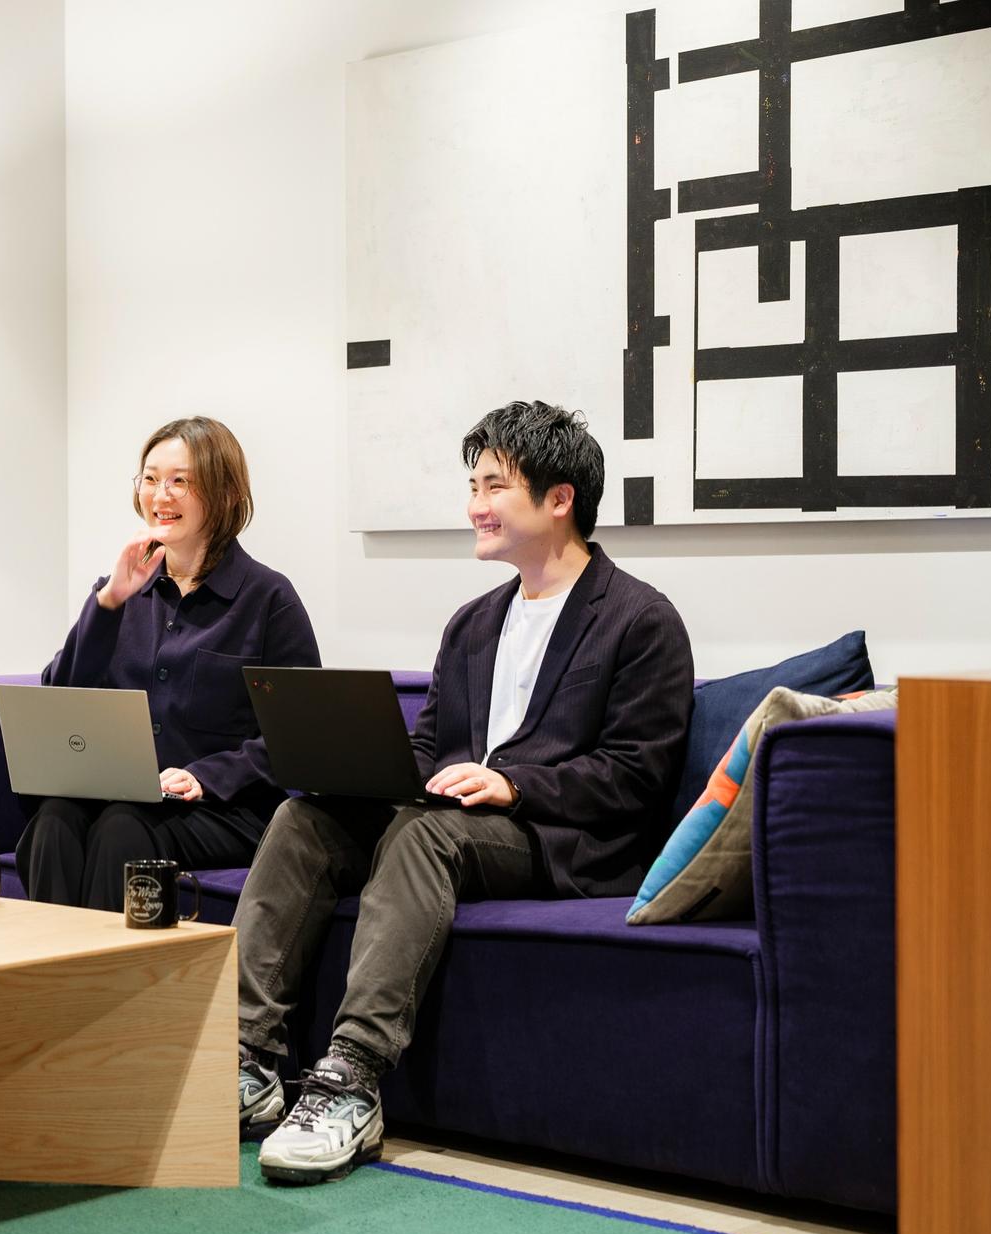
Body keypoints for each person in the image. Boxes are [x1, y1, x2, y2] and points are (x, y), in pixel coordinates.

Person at [235, 401, 693, 1185]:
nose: (476, 505)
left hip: (562, 840)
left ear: (559, 499)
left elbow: (634, 776)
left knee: (424, 835)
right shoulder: (473, 624)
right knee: (304, 817)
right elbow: (431, 749)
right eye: (473, 486)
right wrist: (370, 775)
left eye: (494, 486)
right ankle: (246, 1061)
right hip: (457, 820)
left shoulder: (640, 620)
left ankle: (351, 1081)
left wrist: (513, 783)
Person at [16, 416, 320, 911]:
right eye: (151, 479)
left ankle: (115, 964)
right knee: (53, 819)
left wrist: (207, 776)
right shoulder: (120, 590)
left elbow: (301, 734)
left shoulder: (268, 598)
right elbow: (59, 697)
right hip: (121, 795)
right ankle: (52, 962)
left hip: (223, 807)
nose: (161, 495)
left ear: (225, 493)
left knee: (121, 828)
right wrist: (109, 602)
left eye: (180, 481)